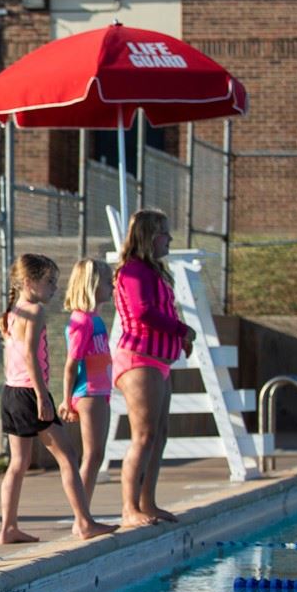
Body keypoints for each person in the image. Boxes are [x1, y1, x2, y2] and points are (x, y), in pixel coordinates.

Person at [0, 254, 116, 545]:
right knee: (68, 457)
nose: (54, 288)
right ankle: (84, 521)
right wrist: (42, 396)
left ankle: (8, 527)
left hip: (10, 392)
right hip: (28, 392)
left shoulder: (14, 310)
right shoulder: (34, 311)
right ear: (29, 282)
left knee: (18, 463)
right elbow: (29, 356)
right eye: (49, 282)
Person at [113, 209, 195, 528]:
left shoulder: (153, 271)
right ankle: (129, 508)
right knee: (144, 435)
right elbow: (143, 312)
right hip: (138, 359)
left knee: (159, 434)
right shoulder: (134, 271)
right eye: (165, 233)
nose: (170, 239)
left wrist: (179, 336)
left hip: (158, 361)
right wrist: (181, 331)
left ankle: (148, 502)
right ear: (149, 236)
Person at [59, 258, 113, 508]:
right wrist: (67, 400)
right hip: (88, 393)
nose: (112, 286)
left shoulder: (96, 319)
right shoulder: (82, 321)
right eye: (107, 282)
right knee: (92, 455)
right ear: (92, 285)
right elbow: (71, 365)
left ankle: (84, 510)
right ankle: (81, 514)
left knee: (97, 454)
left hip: (100, 392)